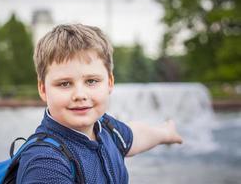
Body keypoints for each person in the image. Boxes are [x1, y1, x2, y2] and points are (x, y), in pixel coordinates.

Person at [16, 24, 183, 184]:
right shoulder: (45, 163)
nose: (80, 95)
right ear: (43, 89)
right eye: (65, 84)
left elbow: (135, 136)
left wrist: (165, 133)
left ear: (109, 82)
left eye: (91, 81)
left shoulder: (106, 128)